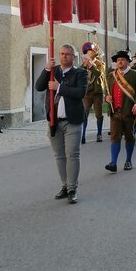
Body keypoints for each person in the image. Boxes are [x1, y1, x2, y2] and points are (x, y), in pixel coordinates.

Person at [35, 44, 87, 203]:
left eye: (67, 54)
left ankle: (72, 189)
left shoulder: (80, 73)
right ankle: (65, 185)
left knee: (73, 155)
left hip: (72, 121)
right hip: (54, 121)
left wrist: (60, 87)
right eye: (62, 54)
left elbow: (80, 93)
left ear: (73, 57)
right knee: (59, 156)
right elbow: (38, 87)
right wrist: (45, 69)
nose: (64, 56)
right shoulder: (53, 71)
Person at [104, 50, 136, 172]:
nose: (119, 62)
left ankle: (128, 161)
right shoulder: (111, 75)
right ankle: (113, 162)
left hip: (129, 112)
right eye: (118, 60)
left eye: (122, 60)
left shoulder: (135, 74)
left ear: (127, 62)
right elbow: (107, 91)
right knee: (115, 137)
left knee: (129, 137)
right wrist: (107, 98)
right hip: (115, 112)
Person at [80, 42, 105, 144]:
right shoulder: (84, 64)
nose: (89, 53)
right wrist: (85, 66)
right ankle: (83, 135)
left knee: (98, 114)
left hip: (97, 92)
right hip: (87, 93)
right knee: (84, 113)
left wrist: (91, 66)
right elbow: (80, 74)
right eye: (88, 52)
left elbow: (99, 74)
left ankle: (99, 134)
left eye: (91, 51)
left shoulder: (100, 64)